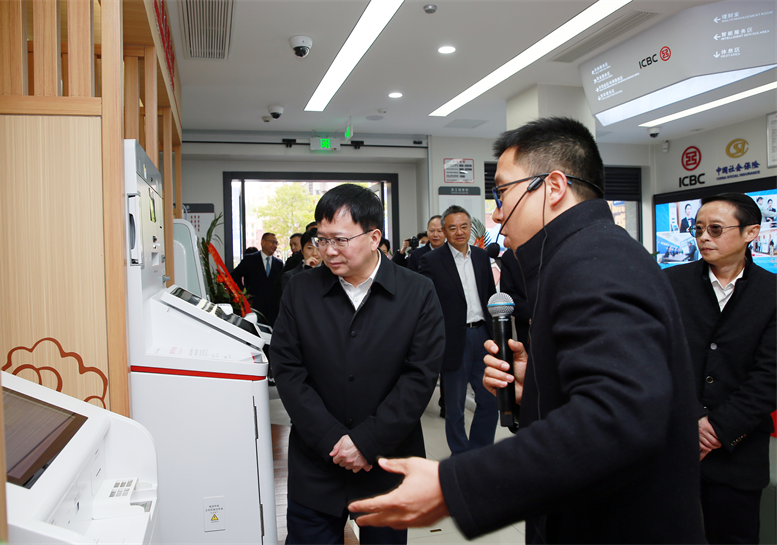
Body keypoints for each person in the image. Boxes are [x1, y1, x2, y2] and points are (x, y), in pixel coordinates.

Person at [348, 117, 705, 544]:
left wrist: (453, 485)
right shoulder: (582, 252)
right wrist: (538, 388)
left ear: (553, 186)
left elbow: (620, 417)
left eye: (502, 193)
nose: (497, 213)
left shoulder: (596, 260)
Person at [270, 183, 445, 545]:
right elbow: (288, 370)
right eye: (321, 239)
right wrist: (332, 440)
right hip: (317, 462)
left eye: (340, 240)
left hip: (386, 461)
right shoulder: (300, 291)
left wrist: (366, 442)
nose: (328, 251)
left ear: (374, 237)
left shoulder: (417, 292)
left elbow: (419, 377)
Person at [665, 193, 777, 545]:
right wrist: (693, 418)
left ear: (751, 233)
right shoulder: (670, 283)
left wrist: (717, 428)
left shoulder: (772, 293)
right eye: (698, 229)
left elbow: (770, 376)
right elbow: (658, 357)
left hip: (738, 451)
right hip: (674, 443)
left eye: (715, 229)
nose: (703, 237)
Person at [419, 205, 497, 455]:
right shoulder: (431, 261)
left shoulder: (481, 257)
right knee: (454, 406)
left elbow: (490, 295)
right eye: (452, 228)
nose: (459, 232)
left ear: (470, 227)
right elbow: (426, 305)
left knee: (490, 399)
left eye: (464, 226)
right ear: (444, 231)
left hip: (483, 336)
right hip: (453, 339)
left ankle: (480, 452)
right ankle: (461, 455)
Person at [231, 232, 283, 326]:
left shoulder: (279, 264)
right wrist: (244, 294)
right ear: (263, 242)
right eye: (272, 242)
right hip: (254, 305)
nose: (275, 246)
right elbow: (235, 275)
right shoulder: (250, 259)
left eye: (276, 243)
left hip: (273, 308)